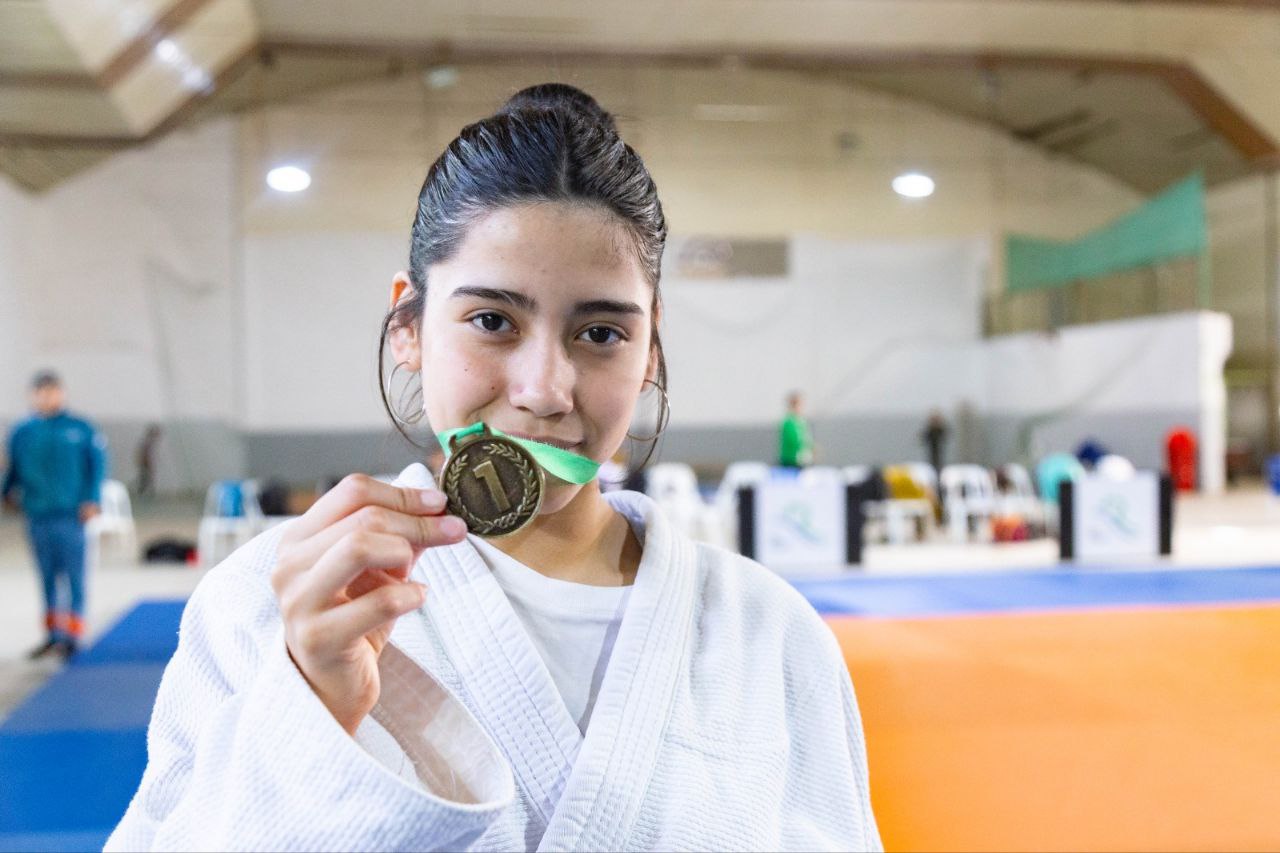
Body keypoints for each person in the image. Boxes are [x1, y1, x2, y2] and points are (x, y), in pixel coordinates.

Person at [107, 85, 880, 852]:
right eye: (491, 320)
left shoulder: (769, 633)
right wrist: (308, 711)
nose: (545, 389)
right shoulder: (270, 600)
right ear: (408, 325)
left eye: (601, 333)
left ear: (651, 346)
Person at [2, 370, 107, 659]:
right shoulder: (23, 431)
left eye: (52, 391)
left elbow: (97, 467)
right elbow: (13, 469)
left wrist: (92, 499)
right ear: (33, 395)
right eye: (41, 392)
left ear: (61, 393)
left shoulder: (80, 429)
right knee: (46, 576)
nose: (47, 397)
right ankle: (52, 635)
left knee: (73, 576)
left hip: (71, 515)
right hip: (37, 514)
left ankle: (73, 635)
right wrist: (6, 493)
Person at [778, 390, 814, 468]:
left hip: (802, 460)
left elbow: (806, 438)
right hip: (791, 460)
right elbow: (794, 440)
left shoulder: (801, 421)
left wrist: (812, 448)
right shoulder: (789, 422)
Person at [133, 423, 161, 498]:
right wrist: (148, 465)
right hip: (146, 465)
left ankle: (145, 494)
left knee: (145, 480)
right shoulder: (148, 442)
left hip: (146, 465)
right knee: (145, 480)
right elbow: (145, 455)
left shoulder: (149, 442)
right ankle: (141, 494)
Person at [920, 409, 949, 475]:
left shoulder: (940, 430)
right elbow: (924, 439)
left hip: (939, 452)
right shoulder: (930, 430)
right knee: (932, 464)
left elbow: (945, 436)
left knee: (939, 464)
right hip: (931, 452)